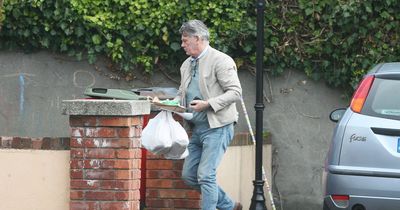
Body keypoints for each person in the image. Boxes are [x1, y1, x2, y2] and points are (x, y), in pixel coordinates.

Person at [175, 19, 243, 210]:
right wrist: (168, 103)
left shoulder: (221, 60)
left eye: (185, 40)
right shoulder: (186, 64)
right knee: (189, 175)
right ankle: (229, 206)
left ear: (197, 38)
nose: (182, 45)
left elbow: (235, 92)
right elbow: (182, 93)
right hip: (196, 129)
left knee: (206, 175)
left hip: (218, 128)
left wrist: (209, 104)